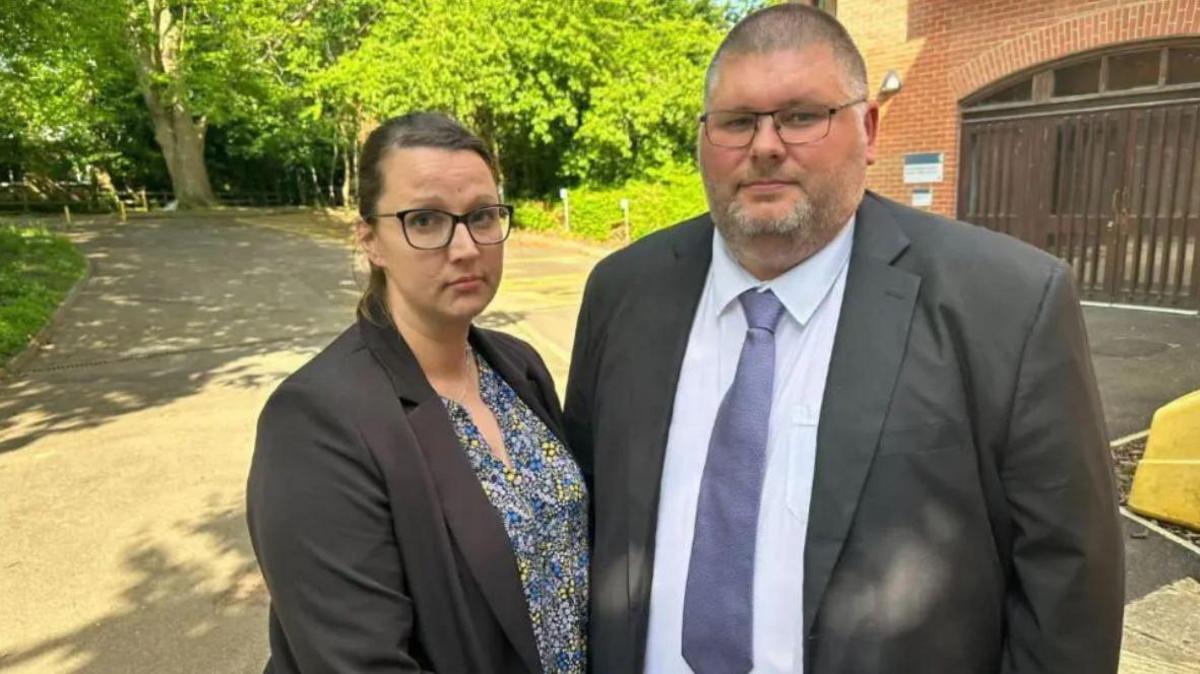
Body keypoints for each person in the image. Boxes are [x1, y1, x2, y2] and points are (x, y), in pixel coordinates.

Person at [564, 5, 1123, 674]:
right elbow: (589, 515)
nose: (765, 145)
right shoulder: (623, 292)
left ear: (869, 128)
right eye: (737, 121)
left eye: (802, 116)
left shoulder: (1006, 305)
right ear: (703, 137)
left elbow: (1069, 586)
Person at [247, 112, 588, 674]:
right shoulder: (316, 421)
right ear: (371, 241)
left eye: (482, 216)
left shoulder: (517, 368)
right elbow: (356, 662)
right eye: (425, 221)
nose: (464, 247)